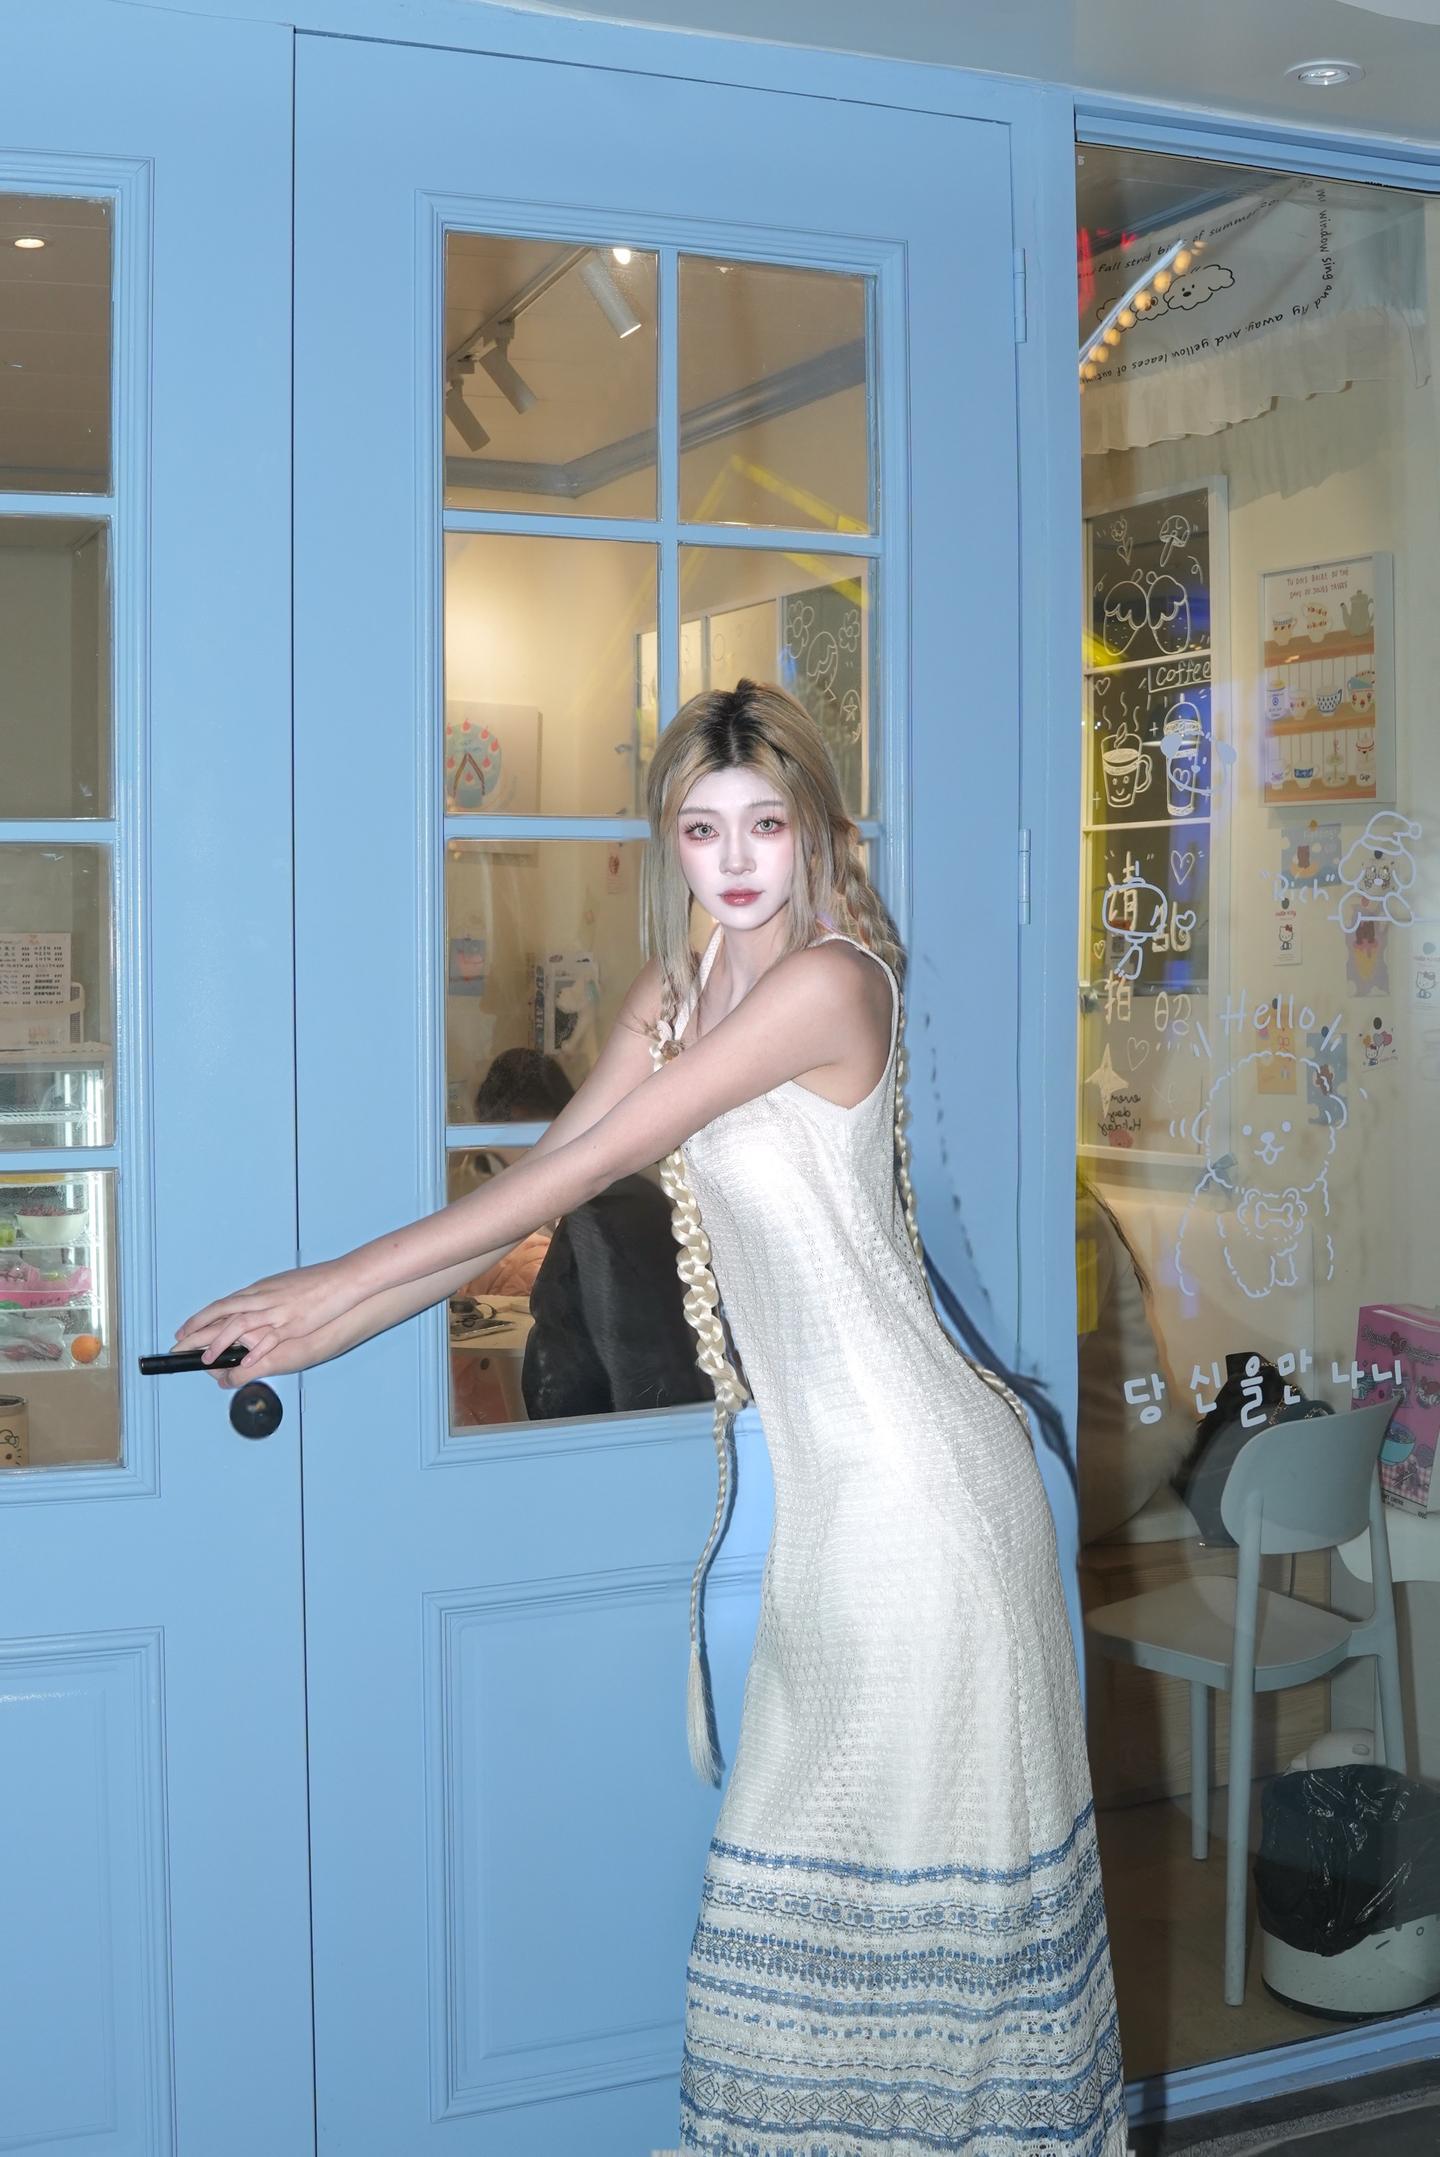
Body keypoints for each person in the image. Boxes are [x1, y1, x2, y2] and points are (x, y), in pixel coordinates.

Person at [174, 680, 1127, 2155]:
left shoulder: (832, 983)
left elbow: (581, 1171)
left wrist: (328, 1280)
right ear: (668, 840)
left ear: (819, 829)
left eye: (766, 824)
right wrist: (316, 1334)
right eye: (701, 827)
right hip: (837, 1515)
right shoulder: (675, 997)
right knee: (821, 1963)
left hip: (926, 1506)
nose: (735, 859)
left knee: (909, 1968)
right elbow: (526, 1199)